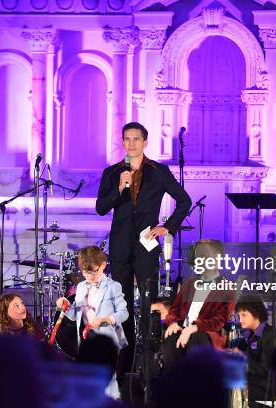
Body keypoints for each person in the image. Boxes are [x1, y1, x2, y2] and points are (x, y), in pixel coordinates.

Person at [96, 121, 192, 377]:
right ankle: (126, 360)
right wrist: (118, 188)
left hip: (146, 245)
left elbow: (184, 201)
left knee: (150, 301)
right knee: (123, 302)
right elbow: (101, 208)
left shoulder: (159, 171)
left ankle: (149, 360)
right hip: (120, 245)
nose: (131, 143)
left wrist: (167, 227)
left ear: (145, 142)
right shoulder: (112, 172)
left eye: (135, 139)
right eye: (126, 139)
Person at [55, 246, 129, 399]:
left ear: (103, 265)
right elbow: (76, 315)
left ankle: (112, 401)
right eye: (85, 272)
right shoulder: (81, 287)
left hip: (109, 339)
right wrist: (65, 307)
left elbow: (124, 313)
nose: (89, 276)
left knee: (108, 377)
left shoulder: (113, 286)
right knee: (88, 377)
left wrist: (106, 319)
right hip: (86, 339)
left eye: (93, 271)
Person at [162, 240, 236, 373]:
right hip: (183, 328)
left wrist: (194, 327)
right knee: (171, 336)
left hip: (206, 333)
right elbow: (174, 311)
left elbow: (219, 320)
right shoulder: (189, 284)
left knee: (196, 337)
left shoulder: (228, 288)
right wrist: (172, 322)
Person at [231, 296, 276, 407]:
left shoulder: (270, 335)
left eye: (244, 315)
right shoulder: (249, 335)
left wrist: (243, 359)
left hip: (266, 388)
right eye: (239, 315)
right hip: (251, 382)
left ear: (256, 314)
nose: (240, 320)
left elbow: (267, 370)